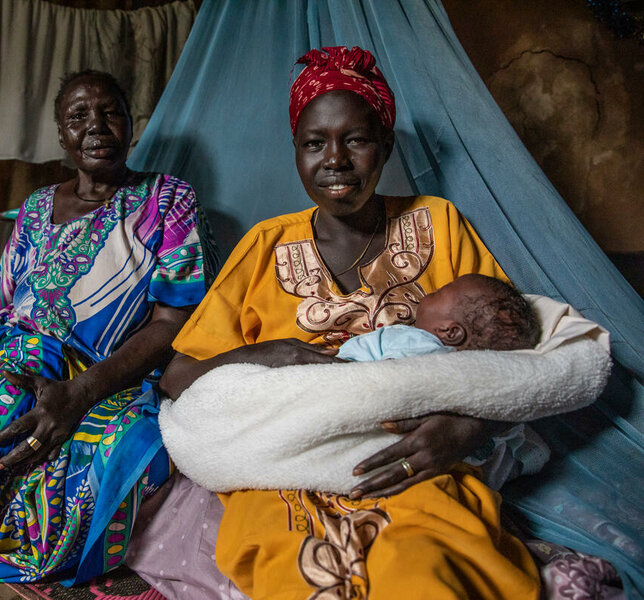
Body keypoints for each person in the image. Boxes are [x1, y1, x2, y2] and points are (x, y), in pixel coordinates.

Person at [157, 46, 542, 599]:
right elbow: (178, 376)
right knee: (295, 562)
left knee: (433, 556)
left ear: (384, 146)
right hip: (289, 465)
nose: (334, 159)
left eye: (356, 140)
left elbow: (509, 355)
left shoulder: (439, 222)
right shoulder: (266, 245)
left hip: (410, 457)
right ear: (296, 152)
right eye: (314, 143)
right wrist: (263, 354)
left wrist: (467, 429)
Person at [0, 70, 212, 585]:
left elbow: (171, 323)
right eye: (78, 117)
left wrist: (80, 391)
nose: (96, 126)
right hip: (18, 360)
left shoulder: (168, 199)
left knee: (126, 446)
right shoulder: (35, 208)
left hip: (105, 372)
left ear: (131, 125)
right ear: (62, 136)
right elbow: (4, 315)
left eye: (110, 112)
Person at [336, 273, 541, 362]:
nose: (431, 291)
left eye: (441, 291)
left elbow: (388, 378)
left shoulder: (422, 344)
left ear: (449, 331)